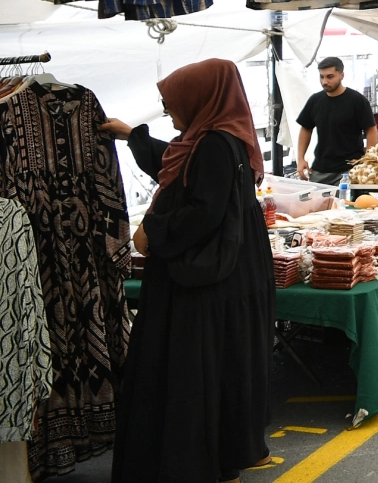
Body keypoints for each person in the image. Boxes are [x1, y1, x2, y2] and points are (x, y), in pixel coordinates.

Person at [98, 59, 273, 483]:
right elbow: (177, 164)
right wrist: (133, 136)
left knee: (192, 367)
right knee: (219, 366)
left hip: (205, 278)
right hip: (230, 272)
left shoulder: (214, 143)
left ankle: (191, 461)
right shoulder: (218, 138)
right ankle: (220, 460)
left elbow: (204, 211)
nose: (169, 112)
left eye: (171, 103)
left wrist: (152, 231)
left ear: (199, 99)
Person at [296, 57, 377, 184]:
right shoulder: (315, 100)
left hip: (350, 170)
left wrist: (368, 160)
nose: (324, 81)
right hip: (320, 169)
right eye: (321, 77)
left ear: (341, 75)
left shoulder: (357, 100)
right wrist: (300, 159)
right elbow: (306, 128)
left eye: (330, 77)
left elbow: (371, 130)